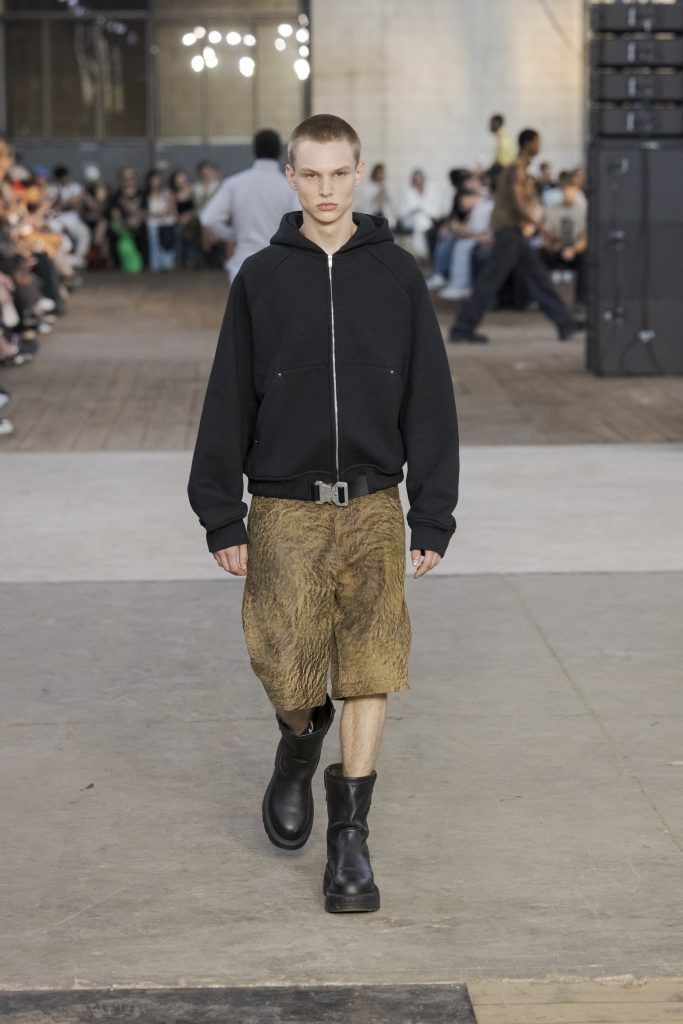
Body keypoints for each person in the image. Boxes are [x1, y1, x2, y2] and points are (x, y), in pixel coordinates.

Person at [187, 113, 459, 914]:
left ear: (359, 173)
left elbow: (430, 396)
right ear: (291, 178)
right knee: (284, 663)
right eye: (311, 174)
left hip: (373, 502)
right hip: (283, 505)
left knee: (371, 665)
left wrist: (433, 512)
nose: (326, 189)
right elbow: (228, 396)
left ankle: (349, 840)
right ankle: (298, 745)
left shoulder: (396, 274)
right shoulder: (261, 277)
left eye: (339, 173)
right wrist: (220, 512)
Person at [449, 129, 584, 344]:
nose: (539, 146)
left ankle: (565, 322)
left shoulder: (518, 169)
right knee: (490, 282)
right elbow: (518, 204)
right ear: (528, 144)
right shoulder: (517, 170)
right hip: (508, 234)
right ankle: (462, 328)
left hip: (513, 234)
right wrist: (542, 229)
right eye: (537, 142)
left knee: (538, 279)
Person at [199, 129, 299, 282]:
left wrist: (232, 234)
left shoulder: (234, 184)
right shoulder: (290, 187)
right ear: (280, 152)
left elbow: (208, 219)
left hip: (243, 263)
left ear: (254, 150)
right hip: (279, 264)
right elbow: (301, 222)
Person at [541, 170, 588, 308]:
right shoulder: (552, 209)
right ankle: (542, 299)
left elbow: (585, 238)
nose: (567, 194)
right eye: (565, 190)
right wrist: (551, 245)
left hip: (576, 249)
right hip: (557, 248)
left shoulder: (583, 209)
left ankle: (581, 302)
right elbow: (547, 236)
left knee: (586, 260)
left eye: (570, 190)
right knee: (535, 258)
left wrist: (573, 249)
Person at [398, 168, 442, 260]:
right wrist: (414, 209)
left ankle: (420, 253)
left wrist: (423, 209)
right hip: (411, 220)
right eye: (417, 181)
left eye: (421, 180)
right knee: (419, 220)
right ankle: (423, 254)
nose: (419, 183)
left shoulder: (430, 191)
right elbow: (402, 211)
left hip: (427, 220)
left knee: (421, 220)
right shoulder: (408, 192)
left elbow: (437, 210)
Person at [143, 170, 177, 272]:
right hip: (152, 224)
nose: (154, 183)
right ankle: (155, 265)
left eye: (156, 180)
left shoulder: (167, 193)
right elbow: (146, 212)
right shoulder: (146, 195)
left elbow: (172, 209)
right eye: (152, 181)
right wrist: (158, 214)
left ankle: (168, 264)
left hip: (167, 223)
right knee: (154, 242)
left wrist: (159, 214)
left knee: (167, 245)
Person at [355, 162, 398, 229]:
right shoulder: (367, 187)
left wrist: (385, 192)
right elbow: (365, 205)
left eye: (382, 173)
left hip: (386, 216)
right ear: (374, 174)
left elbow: (393, 204)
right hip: (372, 215)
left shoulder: (388, 185)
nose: (380, 175)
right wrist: (377, 195)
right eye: (379, 173)